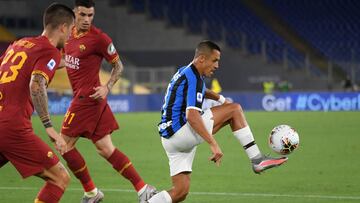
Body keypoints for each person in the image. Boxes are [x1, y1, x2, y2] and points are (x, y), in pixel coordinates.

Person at [148, 40, 288, 203]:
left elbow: (203, 91)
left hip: (169, 139)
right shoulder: (194, 78)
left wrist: (221, 99)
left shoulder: (185, 72)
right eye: (214, 60)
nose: (217, 65)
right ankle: (257, 160)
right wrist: (213, 144)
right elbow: (192, 116)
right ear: (201, 59)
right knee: (235, 110)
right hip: (181, 132)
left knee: (180, 192)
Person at [60, 0, 156, 202]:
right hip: (87, 100)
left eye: (90, 15)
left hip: (88, 98)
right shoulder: (68, 36)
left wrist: (107, 87)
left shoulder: (99, 38)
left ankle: (91, 192)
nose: (87, 19)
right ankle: (143, 189)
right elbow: (65, 61)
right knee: (106, 149)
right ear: (74, 14)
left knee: (64, 144)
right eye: (83, 15)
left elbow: (118, 66)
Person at [0, 3, 74, 203]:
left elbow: (23, 69)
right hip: (13, 128)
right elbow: (36, 83)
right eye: (70, 31)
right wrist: (49, 127)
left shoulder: (19, 44)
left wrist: (67, 61)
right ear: (63, 27)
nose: (70, 37)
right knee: (59, 178)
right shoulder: (49, 51)